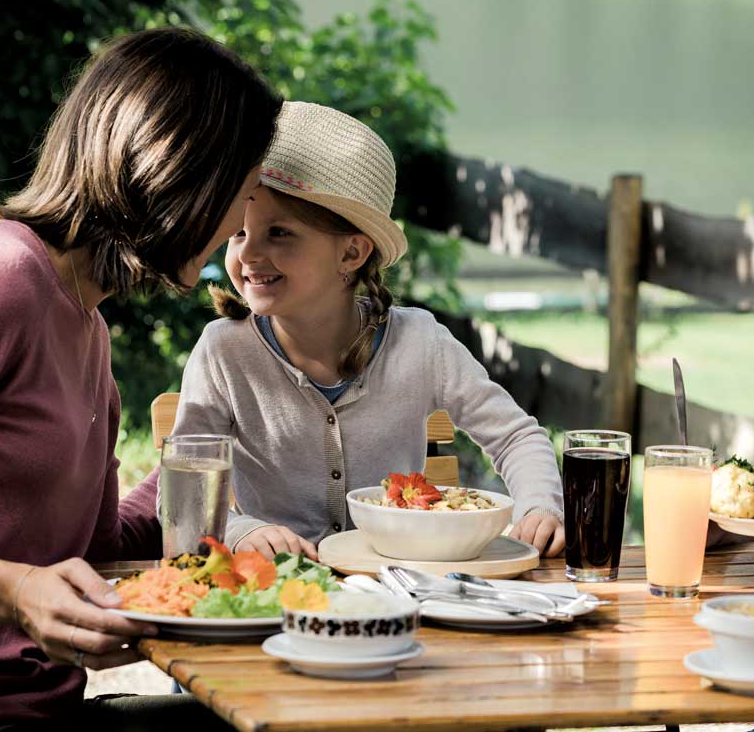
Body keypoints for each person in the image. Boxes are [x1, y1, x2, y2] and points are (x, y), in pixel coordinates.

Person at [0, 28, 281, 728]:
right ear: (186, 170)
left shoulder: (88, 326)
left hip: (44, 711)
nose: (238, 228)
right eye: (244, 193)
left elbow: (90, 549)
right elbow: (29, 580)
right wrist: (14, 593)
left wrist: (210, 463)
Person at [168, 101, 566, 559]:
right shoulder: (223, 351)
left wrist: (539, 507)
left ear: (352, 254)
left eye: (278, 233)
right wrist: (242, 532)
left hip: (402, 584)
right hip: (277, 590)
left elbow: (516, 436)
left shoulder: (420, 343)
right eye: (239, 232)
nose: (249, 254)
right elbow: (185, 497)